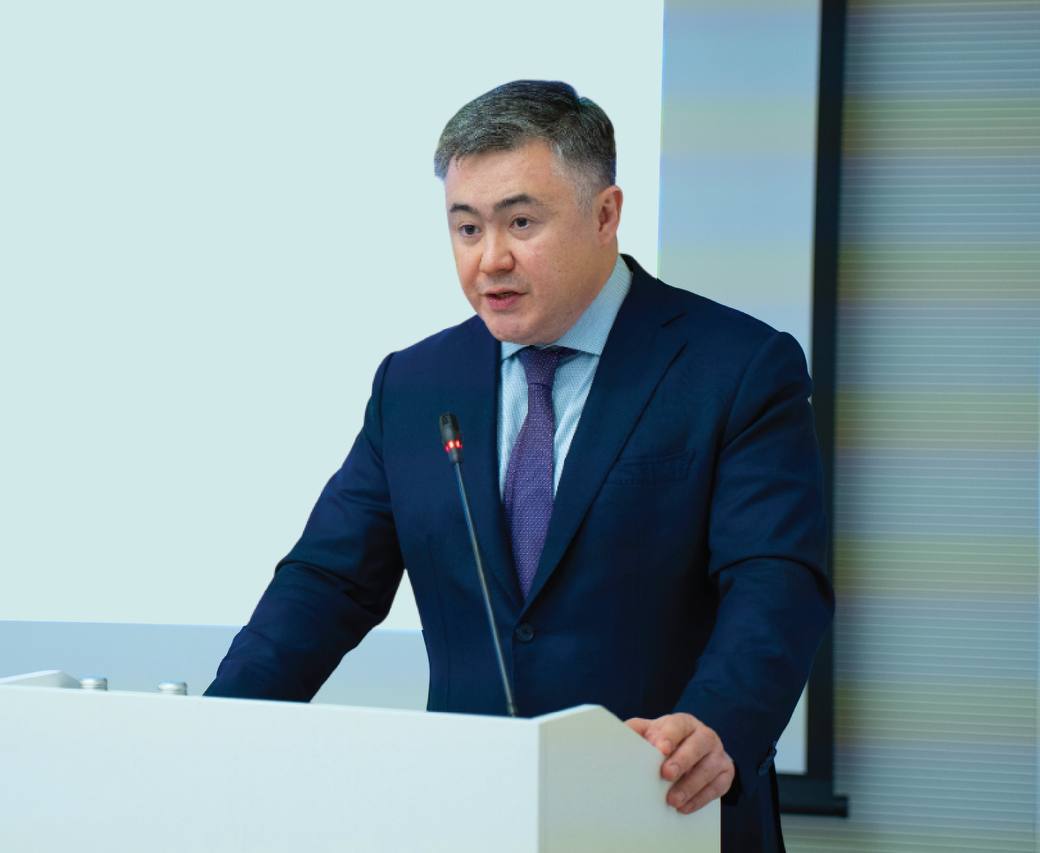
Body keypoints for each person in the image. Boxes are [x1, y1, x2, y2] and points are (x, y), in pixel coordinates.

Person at [204, 80, 833, 852]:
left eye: (521, 222)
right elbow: (327, 583)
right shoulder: (416, 383)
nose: (490, 259)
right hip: (469, 815)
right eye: (467, 228)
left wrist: (718, 721)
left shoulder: (734, 366)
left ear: (605, 214)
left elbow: (776, 580)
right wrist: (213, 728)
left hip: (666, 806)